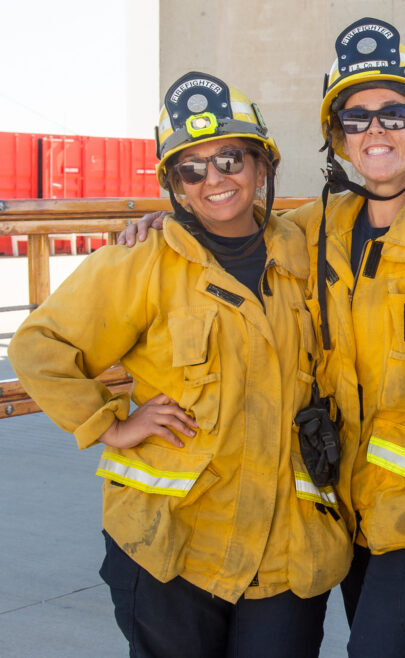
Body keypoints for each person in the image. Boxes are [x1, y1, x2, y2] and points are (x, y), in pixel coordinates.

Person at [9, 71, 351, 657]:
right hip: (171, 546)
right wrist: (112, 423)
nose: (213, 178)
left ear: (262, 165)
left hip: (284, 550)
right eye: (191, 168)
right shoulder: (143, 261)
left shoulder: (306, 251)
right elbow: (39, 346)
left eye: (230, 158)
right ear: (174, 184)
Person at [283, 18, 405, 657]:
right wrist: (155, 221)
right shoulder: (316, 228)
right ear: (338, 138)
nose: (375, 131)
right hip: (354, 504)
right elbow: (227, 229)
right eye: (356, 118)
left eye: (393, 114)